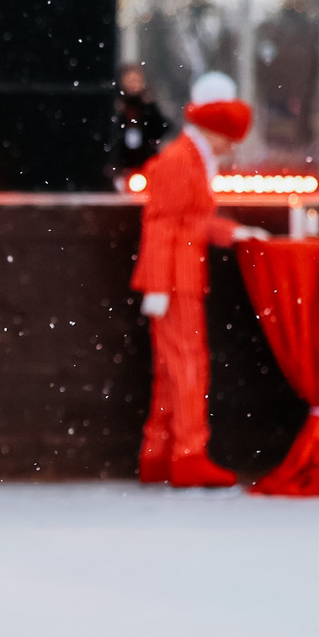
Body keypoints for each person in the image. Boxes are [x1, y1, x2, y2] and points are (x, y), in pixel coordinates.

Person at [132, 72, 271, 487]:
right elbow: (161, 224)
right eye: (230, 138)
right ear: (215, 131)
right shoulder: (181, 161)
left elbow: (188, 221)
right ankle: (187, 453)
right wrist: (159, 285)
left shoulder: (187, 159)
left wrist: (234, 233)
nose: (232, 147)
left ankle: (159, 451)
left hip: (178, 278)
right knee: (187, 366)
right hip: (177, 280)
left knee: (172, 367)